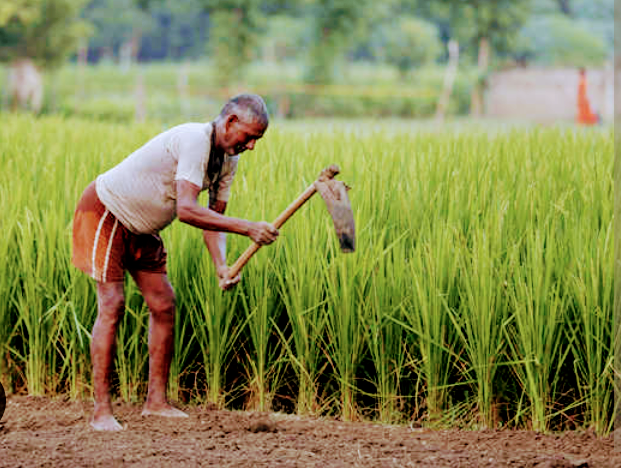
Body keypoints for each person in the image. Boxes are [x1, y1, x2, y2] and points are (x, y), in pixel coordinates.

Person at [72, 93, 279, 431]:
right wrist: (249, 228)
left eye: (257, 139)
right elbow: (186, 210)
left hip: (142, 227)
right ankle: (101, 412)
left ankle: (156, 403)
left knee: (164, 304)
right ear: (230, 122)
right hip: (106, 211)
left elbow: (212, 219)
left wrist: (221, 266)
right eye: (250, 136)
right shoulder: (195, 140)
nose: (252, 145)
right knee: (112, 304)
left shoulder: (228, 161)